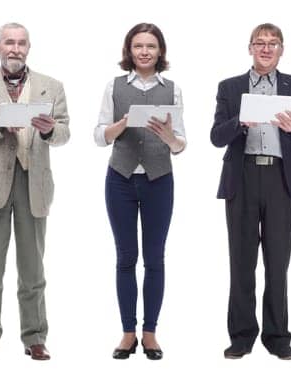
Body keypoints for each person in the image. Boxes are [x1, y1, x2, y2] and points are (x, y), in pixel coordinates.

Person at [0, 23, 70, 362]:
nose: (15, 49)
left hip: (33, 182)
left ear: (29, 47)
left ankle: (35, 337)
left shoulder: (52, 86)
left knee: (33, 269)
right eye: (9, 42)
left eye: (21, 43)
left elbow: (65, 132)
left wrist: (51, 130)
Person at [213, 23, 291, 360]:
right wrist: (240, 122)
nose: (266, 48)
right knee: (241, 261)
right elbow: (216, 136)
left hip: (280, 180)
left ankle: (277, 336)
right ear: (250, 48)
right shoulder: (230, 87)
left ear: (282, 49)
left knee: (277, 262)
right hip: (241, 178)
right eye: (260, 43)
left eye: (273, 44)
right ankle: (242, 336)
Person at [95, 24, 185, 360]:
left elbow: (181, 144)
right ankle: (127, 332)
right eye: (138, 46)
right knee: (125, 258)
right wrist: (121, 125)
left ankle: (150, 333)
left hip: (159, 179)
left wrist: (168, 137)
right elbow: (98, 134)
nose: (144, 51)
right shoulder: (114, 86)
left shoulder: (172, 89)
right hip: (120, 177)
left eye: (150, 46)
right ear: (129, 51)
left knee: (155, 258)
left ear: (160, 51)